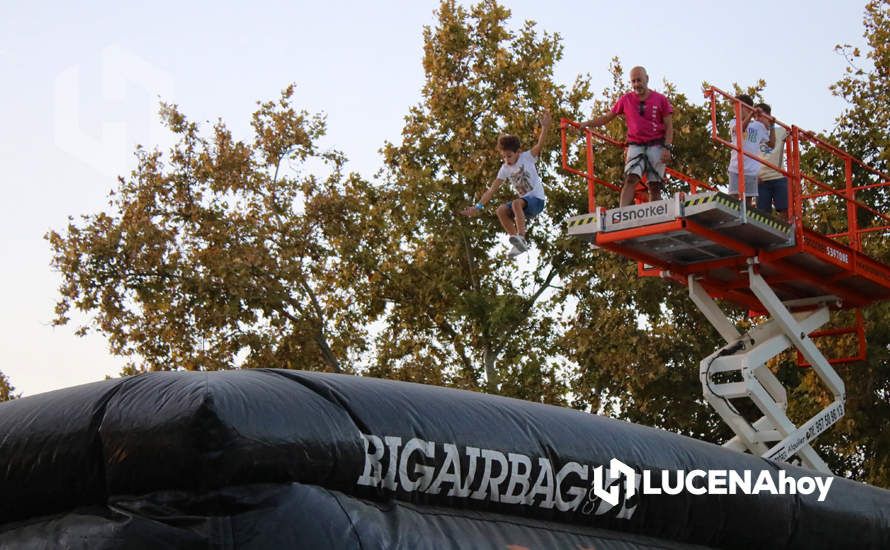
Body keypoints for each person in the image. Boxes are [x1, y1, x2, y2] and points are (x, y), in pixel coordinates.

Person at [459, 110, 552, 259]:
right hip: (524, 207)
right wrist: (477, 207)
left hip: (537, 201)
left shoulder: (527, 157)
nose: (507, 160)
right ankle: (517, 242)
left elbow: (540, 144)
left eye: (509, 156)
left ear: (518, 152)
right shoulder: (505, 169)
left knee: (516, 203)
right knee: (501, 210)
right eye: (504, 157)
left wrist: (545, 127)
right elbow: (492, 190)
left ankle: (522, 237)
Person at [577, 66, 674, 207]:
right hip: (636, 145)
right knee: (630, 178)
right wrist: (587, 123)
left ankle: (656, 215)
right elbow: (606, 118)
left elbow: (669, 126)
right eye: (633, 81)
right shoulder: (626, 99)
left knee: (655, 185)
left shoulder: (660, 100)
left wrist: (667, 147)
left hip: (656, 144)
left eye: (639, 80)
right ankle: (622, 213)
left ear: (647, 79)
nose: (636, 84)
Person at [727, 95, 775, 209]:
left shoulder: (758, 126)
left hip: (751, 170)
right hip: (735, 166)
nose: (735, 111)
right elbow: (740, 129)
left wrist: (772, 126)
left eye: (737, 108)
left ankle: (745, 223)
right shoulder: (733, 122)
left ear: (746, 108)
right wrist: (750, 115)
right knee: (733, 196)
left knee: (748, 201)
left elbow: (771, 144)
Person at [755, 103, 790, 220]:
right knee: (762, 213)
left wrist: (806, 134)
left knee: (785, 209)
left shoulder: (781, 130)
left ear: (768, 116)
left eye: (760, 116)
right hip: (761, 178)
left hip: (778, 175)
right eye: (755, 116)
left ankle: (783, 234)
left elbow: (796, 134)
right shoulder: (753, 132)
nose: (757, 119)